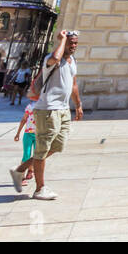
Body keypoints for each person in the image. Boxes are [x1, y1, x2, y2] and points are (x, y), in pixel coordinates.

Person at [8, 29, 81, 200]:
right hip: (48, 109)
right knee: (42, 149)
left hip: (63, 110)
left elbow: (74, 85)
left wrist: (78, 105)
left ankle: (20, 170)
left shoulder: (73, 61)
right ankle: (39, 188)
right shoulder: (51, 59)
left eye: (75, 43)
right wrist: (62, 40)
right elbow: (56, 57)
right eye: (70, 43)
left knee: (57, 146)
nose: (73, 46)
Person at [11, 91, 39, 187]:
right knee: (26, 155)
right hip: (28, 134)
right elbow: (24, 120)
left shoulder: (44, 107)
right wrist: (18, 133)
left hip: (38, 135)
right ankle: (21, 176)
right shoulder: (30, 107)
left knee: (36, 155)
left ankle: (30, 170)